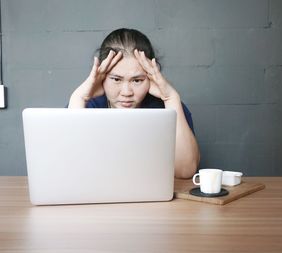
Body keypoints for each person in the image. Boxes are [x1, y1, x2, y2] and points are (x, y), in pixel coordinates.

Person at [68, 28, 200, 179]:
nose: (126, 92)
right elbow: (70, 168)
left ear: (151, 77)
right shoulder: (85, 106)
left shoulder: (167, 108)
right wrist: (78, 97)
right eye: (116, 79)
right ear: (101, 76)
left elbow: (186, 170)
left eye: (137, 80)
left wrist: (171, 98)